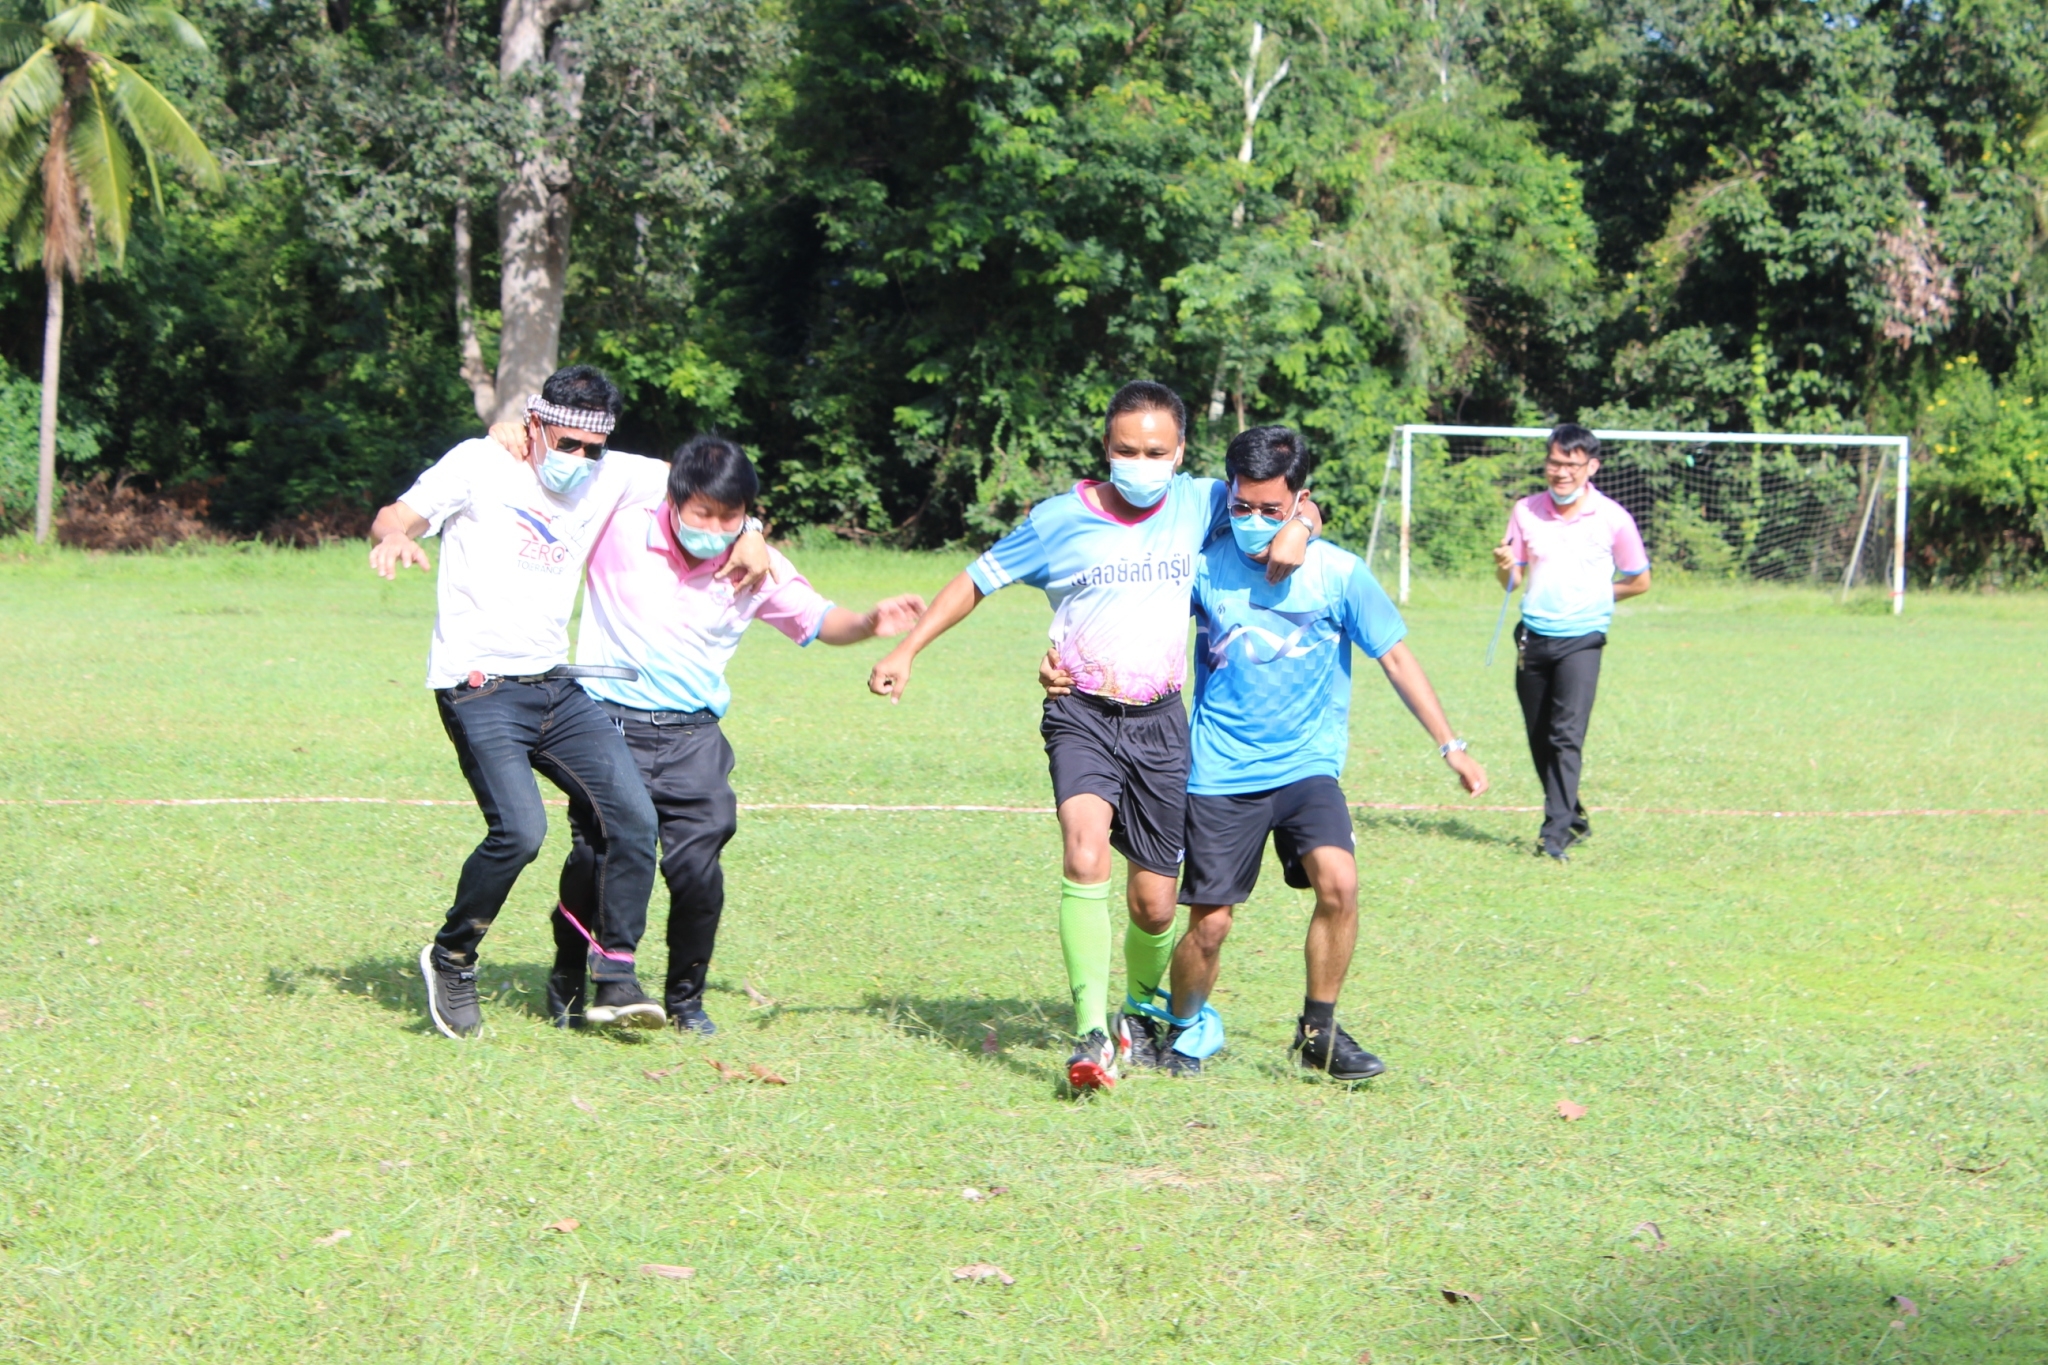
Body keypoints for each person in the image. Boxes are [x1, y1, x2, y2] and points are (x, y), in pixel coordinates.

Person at [865, 381, 1320, 1092]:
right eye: (1126, 450)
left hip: (1161, 723)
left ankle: (1139, 1011)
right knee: (1083, 855)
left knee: (1155, 905)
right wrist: (907, 650)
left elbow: (1281, 499)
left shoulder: (1202, 503)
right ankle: (1090, 1031)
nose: (1141, 464)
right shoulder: (1057, 521)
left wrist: (1305, 525)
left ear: (1180, 454)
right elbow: (975, 580)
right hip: (1079, 711)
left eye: (1156, 452)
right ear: (1106, 447)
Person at [1042, 424, 1487, 1081]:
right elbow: (1127, 609)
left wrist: (1451, 745)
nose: (1253, 521)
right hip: (1220, 772)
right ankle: (1182, 1022)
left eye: (1271, 509)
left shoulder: (1339, 574)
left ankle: (1318, 1031)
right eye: (1241, 506)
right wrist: (1065, 660)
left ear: (1300, 498)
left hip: (1308, 767)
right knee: (1211, 926)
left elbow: (1395, 657)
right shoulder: (1202, 566)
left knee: (1340, 883)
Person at [368, 365, 769, 1038]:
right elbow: (396, 514)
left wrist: (750, 525)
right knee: (521, 832)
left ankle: (615, 976)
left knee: (633, 817)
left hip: (554, 687)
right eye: (567, 444)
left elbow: (706, 483)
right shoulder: (479, 463)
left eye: (593, 448)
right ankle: (452, 956)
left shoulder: (610, 474)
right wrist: (395, 535)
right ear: (535, 425)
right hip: (480, 687)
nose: (580, 460)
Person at [491, 431, 927, 1033]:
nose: (716, 529)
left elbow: (820, 619)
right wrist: (513, 431)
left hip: (694, 739)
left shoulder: (756, 565)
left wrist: (870, 622)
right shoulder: (619, 525)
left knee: (698, 873)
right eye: (703, 513)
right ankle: (569, 972)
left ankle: (685, 1000)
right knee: (594, 860)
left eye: (732, 517)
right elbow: (575, 470)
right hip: (607, 728)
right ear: (674, 500)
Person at [1490, 423, 1650, 862]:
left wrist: (1595, 595)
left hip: (1582, 639)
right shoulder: (1525, 510)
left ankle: (1554, 835)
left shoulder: (1613, 518)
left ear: (1591, 467)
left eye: (1572, 465)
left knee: (1565, 736)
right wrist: (1503, 564)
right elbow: (1512, 580)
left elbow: (1640, 580)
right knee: (1539, 737)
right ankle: (1572, 814)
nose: (1561, 472)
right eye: (1554, 462)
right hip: (1532, 638)